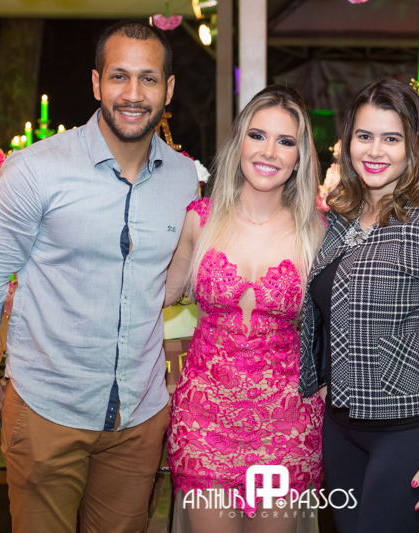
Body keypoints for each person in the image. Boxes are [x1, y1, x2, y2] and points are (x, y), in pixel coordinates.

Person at [0, 20, 199, 533]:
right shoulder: (36, 169)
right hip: (48, 407)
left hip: (140, 415)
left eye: (149, 79)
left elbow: (177, 285)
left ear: (169, 88)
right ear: (96, 83)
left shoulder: (185, 179)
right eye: (119, 76)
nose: (133, 94)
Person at [299, 79, 419, 533]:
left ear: (412, 146)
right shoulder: (339, 222)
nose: (375, 151)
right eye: (365, 136)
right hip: (340, 429)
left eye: (391, 138)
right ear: (348, 142)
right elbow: (327, 314)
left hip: (406, 431)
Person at [164, 85, 326, 533]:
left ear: (299, 156)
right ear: (239, 142)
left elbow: (341, 328)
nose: (269, 151)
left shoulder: (317, 232)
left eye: (285, 141)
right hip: (204, 419)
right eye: (258, 135)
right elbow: (157, 295)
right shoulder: (200, 218)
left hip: (287, 422)